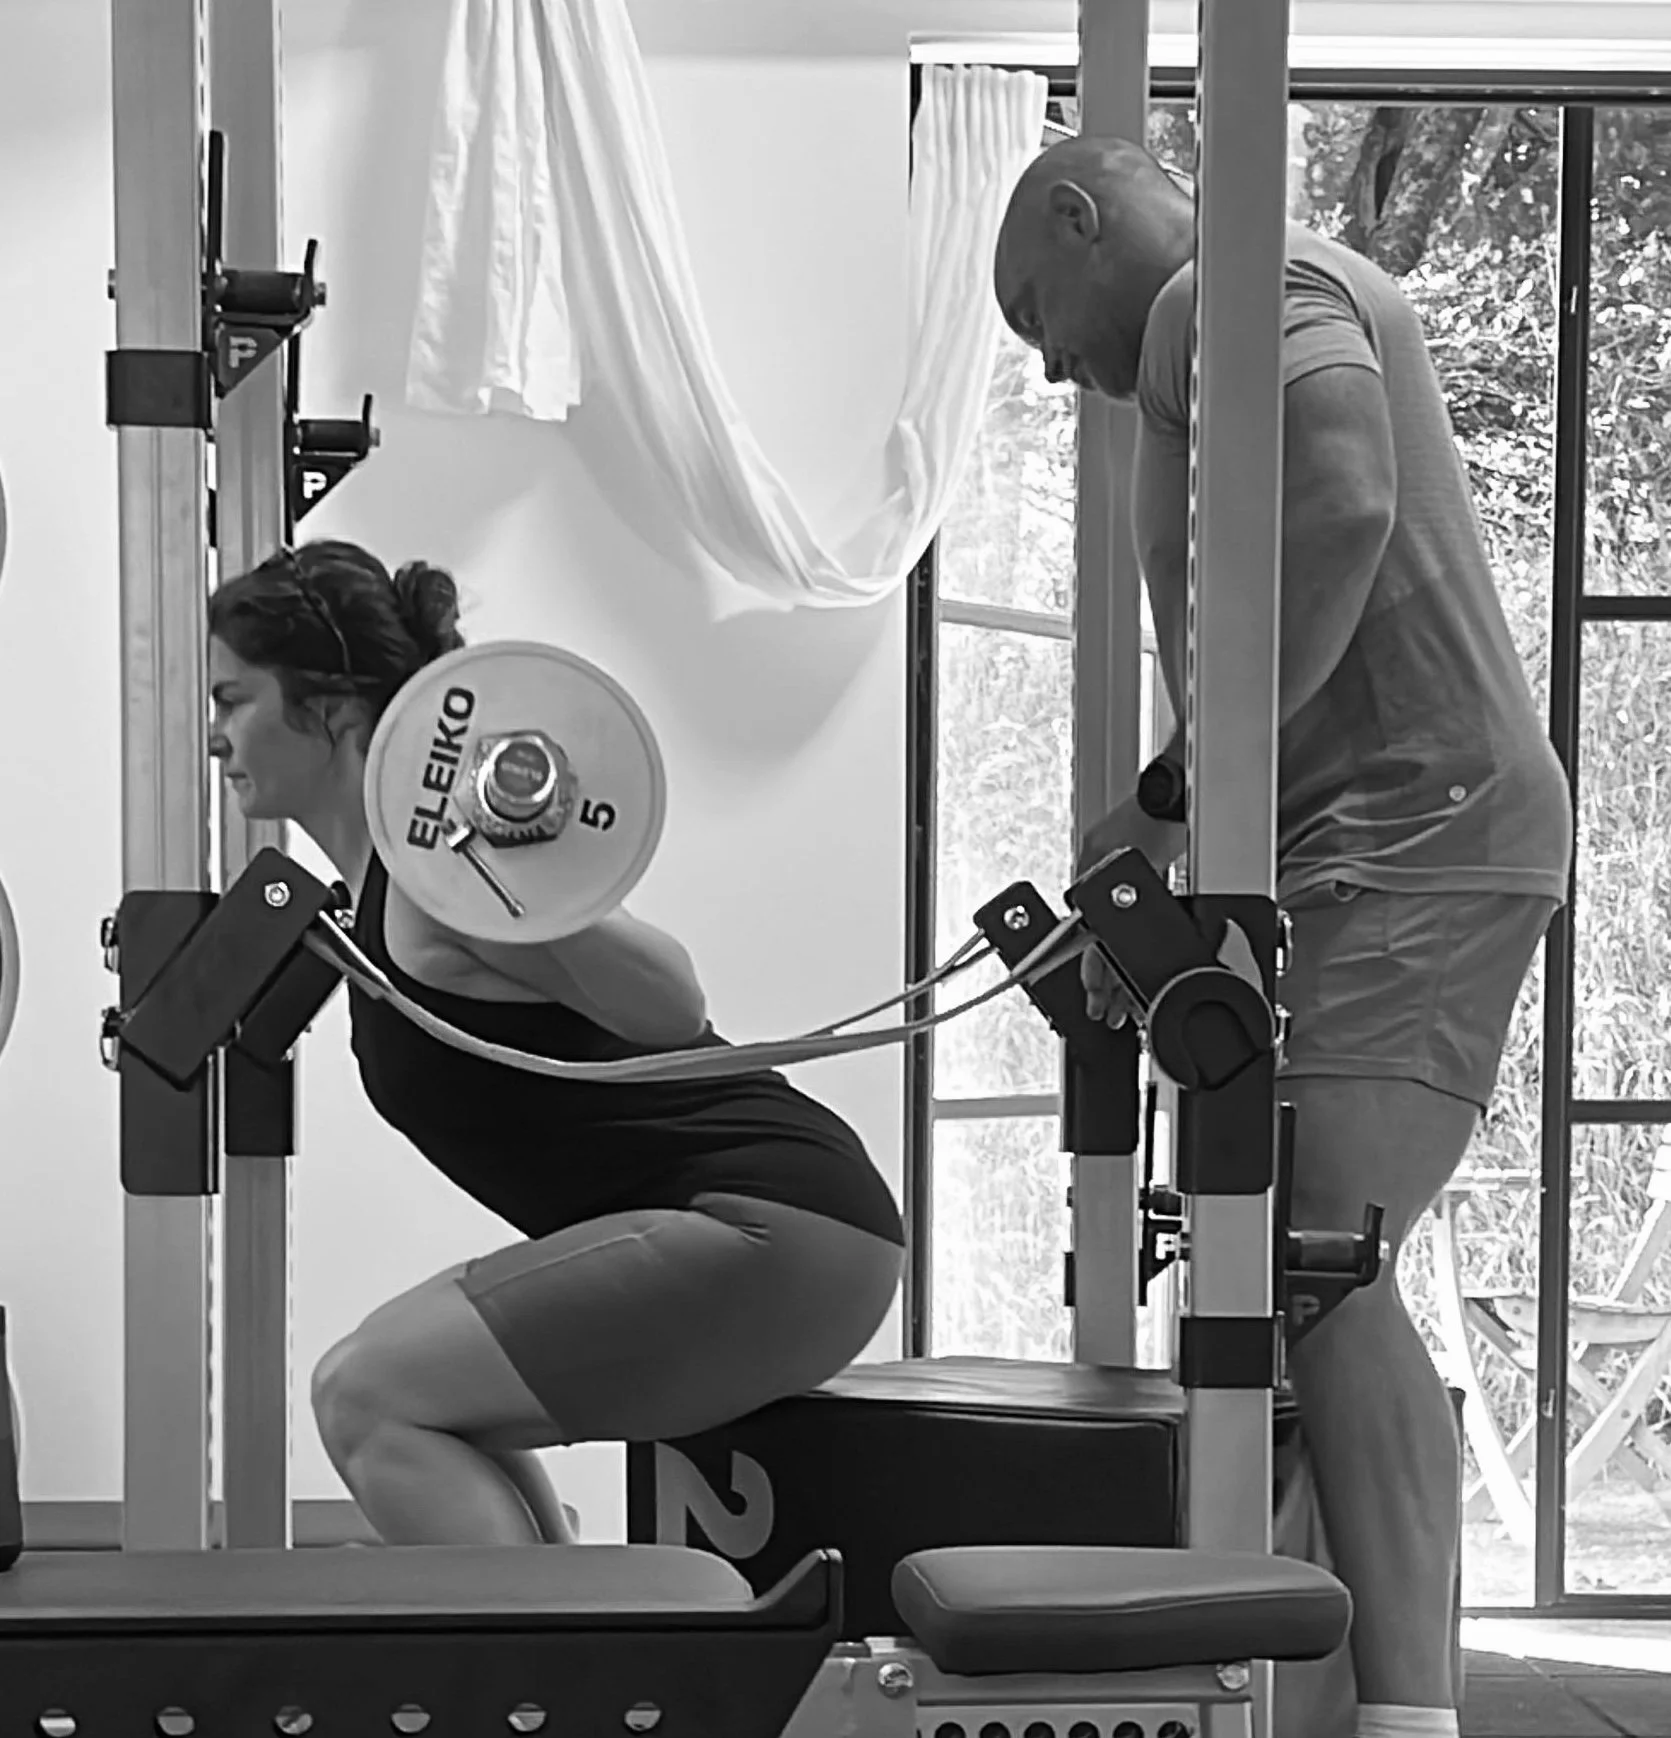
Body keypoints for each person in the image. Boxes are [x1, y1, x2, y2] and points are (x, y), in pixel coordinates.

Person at [994, 138, 1572, 1738]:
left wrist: (1175, 793)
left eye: (1029, 310)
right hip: (1349, 850)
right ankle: (1307, 1687)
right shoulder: (1211, 314)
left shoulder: (1227, 287)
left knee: (1312, 1257)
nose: (1045, 362)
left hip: (1417, 832)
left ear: (1076, 213)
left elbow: (1340, 497)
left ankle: (1405, 1715)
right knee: (1261, 1255)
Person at [207, 539, 904, 1548]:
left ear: (331, 711)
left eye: (234, 700)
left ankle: (532, 1689)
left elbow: (671, 1002)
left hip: (773, 1224)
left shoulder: (443, 884)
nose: (217, 737)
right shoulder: (388, 895)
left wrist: (500, 873)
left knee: (365, 1393)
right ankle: (576, 1657)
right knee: (408, 1391)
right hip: (759, 1226)